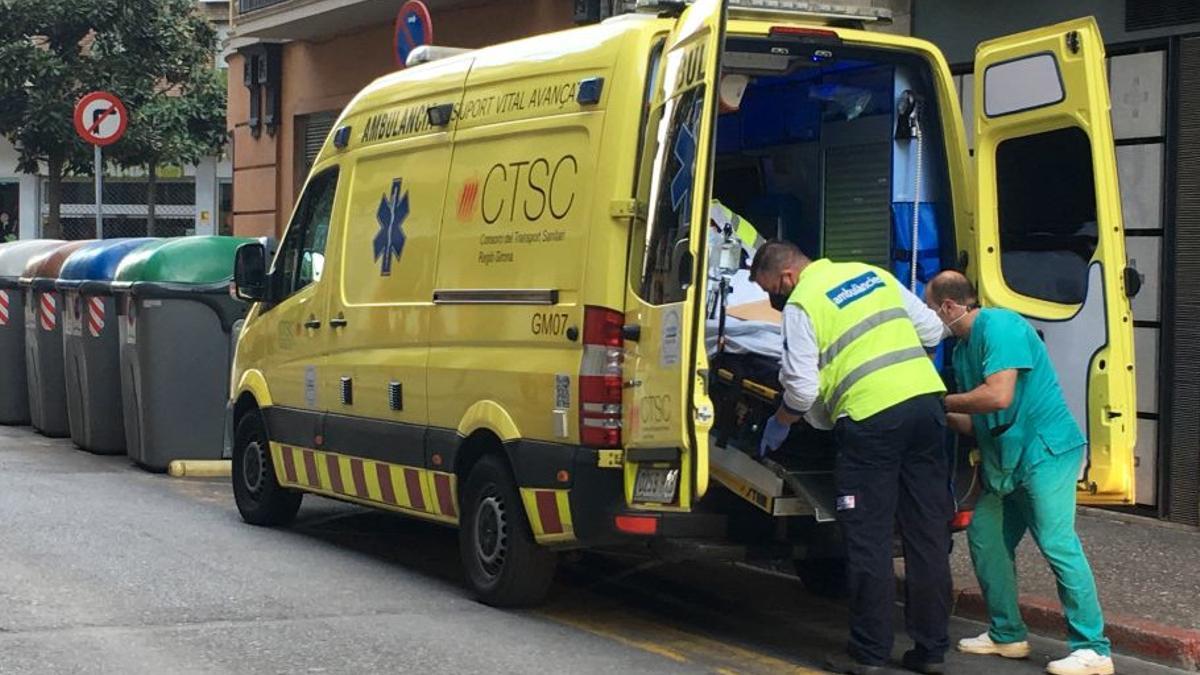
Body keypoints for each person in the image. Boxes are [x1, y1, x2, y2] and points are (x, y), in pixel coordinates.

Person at [750, 240, 951, 675]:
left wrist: (781, 422)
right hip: (927, 407)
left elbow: (802, 389)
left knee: (869, 540)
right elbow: (934, 332)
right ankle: (931, 650)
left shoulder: (803, 304)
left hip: (871, 419)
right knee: (927, 534)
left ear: (786, 277)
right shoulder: (870, 273)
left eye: (772, 291)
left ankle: (869, 653)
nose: (775, 300)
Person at [925, 271, 1113, 675]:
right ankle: (1007, 635)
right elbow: (974, 420)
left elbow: (997, 395)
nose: (930, 321)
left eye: (930, 311)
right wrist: (926, 411)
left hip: (1045, 453)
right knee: (985, 537)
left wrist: (940, 402)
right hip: (1005, 461)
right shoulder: (962, 350)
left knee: (1057, 543)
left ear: (949, 307)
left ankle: (1093, 649)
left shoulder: (1001, 325)